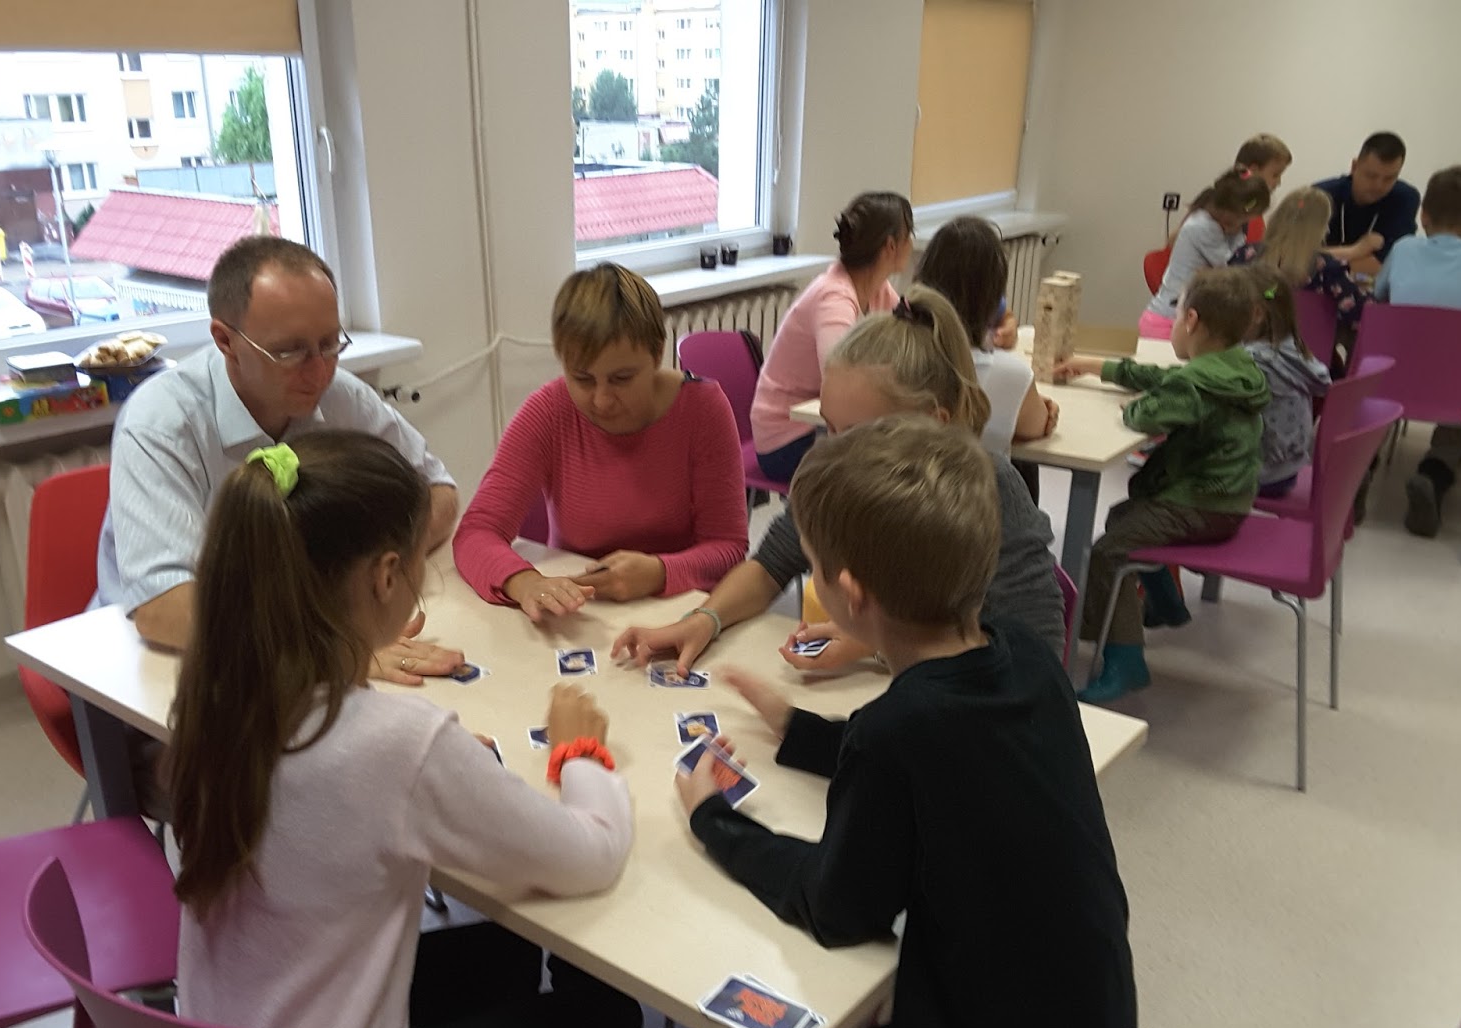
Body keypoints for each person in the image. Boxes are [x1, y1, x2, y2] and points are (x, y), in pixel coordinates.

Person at [673, 417, 1155, 1028]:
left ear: (850, 595)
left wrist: (713, 821)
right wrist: (801, 731)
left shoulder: (895, 731)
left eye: (814, 568)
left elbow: (835, 909)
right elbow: (948, 758)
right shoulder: (1027, 659)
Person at [169, 429, 642, 1028]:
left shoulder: (216, 699)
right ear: (387, 576)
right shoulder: (393, 744)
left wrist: (433, 769)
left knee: (507, 952)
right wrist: (578, 751)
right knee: (608, 1013)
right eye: (424, 557)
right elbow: (591, 856)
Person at [613, 286, 1065, 675]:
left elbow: (1035, 653)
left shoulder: (991, 491)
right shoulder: (838, 482)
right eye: (829, 428)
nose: (837, 451)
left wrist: (877, 643)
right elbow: (770, 564)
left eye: (859, 434)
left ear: (934, 423)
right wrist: (705, 619)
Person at [95, 236, 462, 687]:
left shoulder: (338, 394)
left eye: (330, 344)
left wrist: (366, 588)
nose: (320, 371)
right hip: (168, 661)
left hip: (289, 629)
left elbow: (438, 493)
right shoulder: (160, 423)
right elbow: (162, 608)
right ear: (225, 340)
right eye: (290, 352)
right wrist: (333, 645)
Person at [452, 263, 748, 620]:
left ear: (657, 354)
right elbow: (476, 532)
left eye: (622, 378)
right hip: (580, 617)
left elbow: (729, 548)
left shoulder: (702, 409)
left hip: (681, 614)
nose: (602, 400)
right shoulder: (548, 411)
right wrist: (524, 581)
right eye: (583, 379)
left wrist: (660, 572)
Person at [1058, 268, 1269, 703]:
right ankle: (1166, 604)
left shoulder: (1194, 384)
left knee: (1108, 552)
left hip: (1199, 503)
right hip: (1230, 500)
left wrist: (1133, 407)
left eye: (1175, 315)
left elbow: (1146, 414)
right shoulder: (1235, 368)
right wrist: (1100, 367)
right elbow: (1165, 379)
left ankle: (1125, 661)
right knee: (1123, 515)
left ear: (1191, 320)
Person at [748, 191, 913, 482]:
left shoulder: (878, 290)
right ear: (891, 246)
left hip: (826, 425)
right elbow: (841, 381)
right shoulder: (833, 297)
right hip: (787, 437)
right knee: (895, 469)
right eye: (909, 235)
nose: (911, 243)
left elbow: (912, 339)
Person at [1373, 164, 1461, 536]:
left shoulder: (1403, 249)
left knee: (1375, 384)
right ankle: (1434, 474)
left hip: (1394, 380)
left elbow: (1379, 297)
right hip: (1458, 391)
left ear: (1424, 214)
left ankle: (1361, 470)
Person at [915, 216, 1059, 456]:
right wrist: (1034, 406)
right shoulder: (1012, 375)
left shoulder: (895, 356)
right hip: (972, 478)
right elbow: (1037, 425)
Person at [1143, 168, 1271, 339]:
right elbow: (1232, 269)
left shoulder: (1222, 225)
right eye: (1239, 221)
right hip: (1168, 322)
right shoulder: (1204, 226)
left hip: (1185, 319)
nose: (1240, 226)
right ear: (1225, 213)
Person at [1230, 187, 1370, 341]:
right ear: (1320, 228)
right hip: (1303, 350)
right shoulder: (1326, 268)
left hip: (1240, 347)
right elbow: (1359, 313)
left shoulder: (1244, 255)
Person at [1241, 264, 1330, 498]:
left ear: (1257, 314)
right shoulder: (1292, 349)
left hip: (1261, 475)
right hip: (1287, 470)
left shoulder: (1255, 362)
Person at [1315, 132, 1420, 277]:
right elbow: (1298, 257)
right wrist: (1356, 251)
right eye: (1371, 176)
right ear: (1354, 167)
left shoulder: (1405, 198)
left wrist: (1325, 259)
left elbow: (1384, 264)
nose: (1379, 186)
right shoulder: (1320, 196)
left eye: (1389, 178)